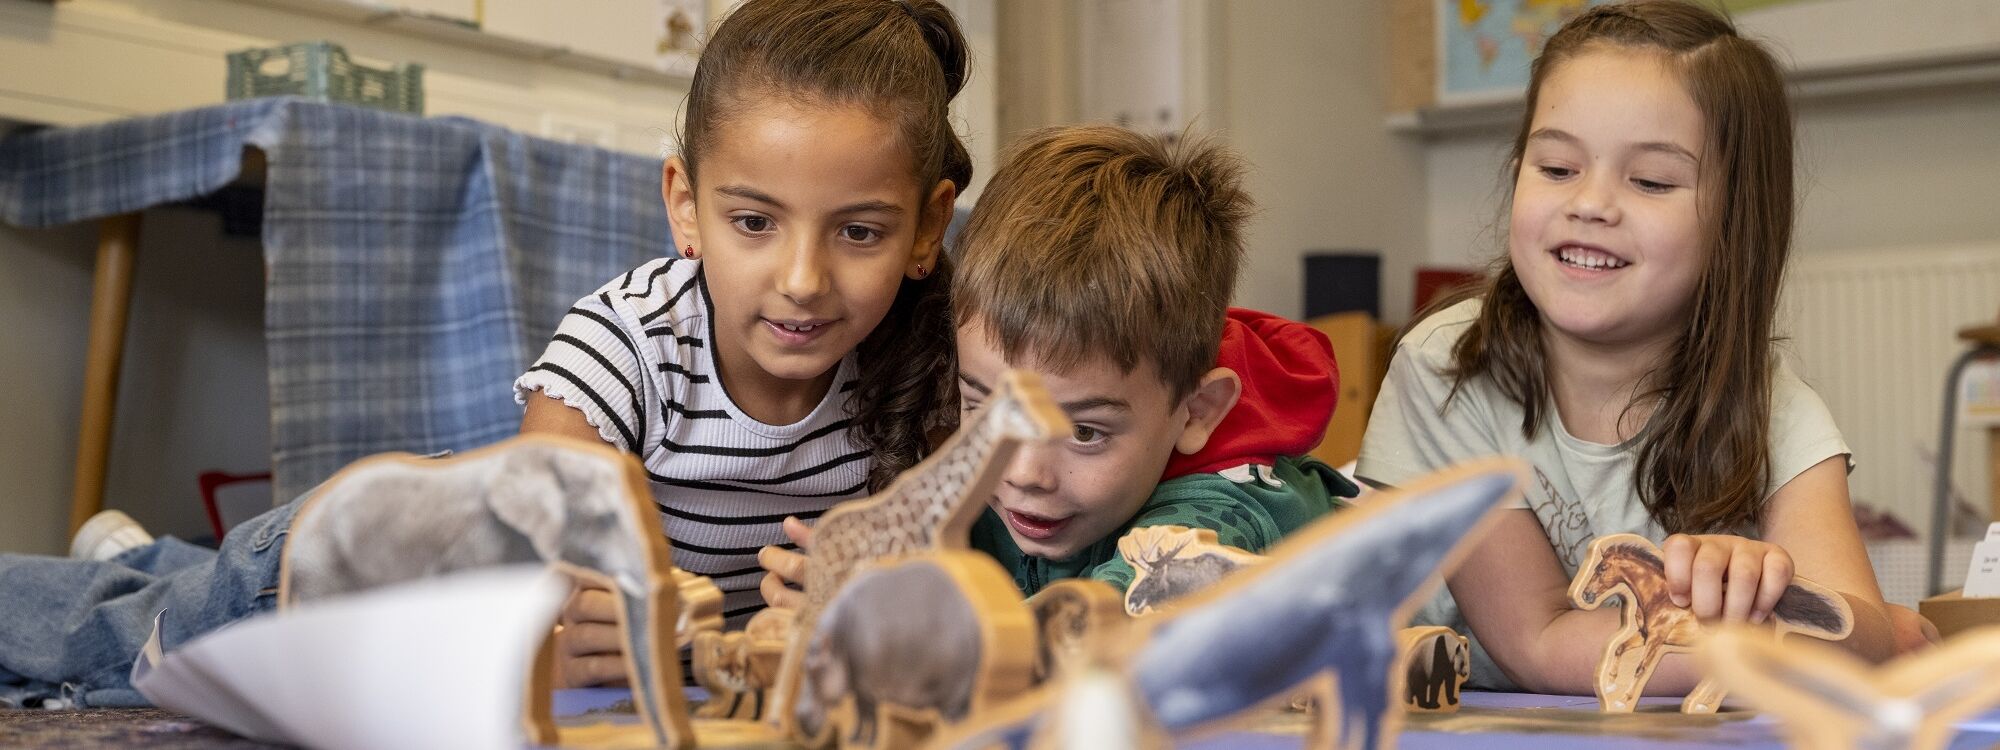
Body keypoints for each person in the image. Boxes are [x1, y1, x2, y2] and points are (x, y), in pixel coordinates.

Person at [1356, 0, 1932, 696]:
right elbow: (1536, 638)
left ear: (1733, 223)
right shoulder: (1448, 368)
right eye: (1558, 167)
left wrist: (1800, 611)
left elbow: (1861, 631)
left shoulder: (1776, 407)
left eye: (1652, 180)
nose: (1591, 203)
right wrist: (1783, 646)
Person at [759, 125, 1357, 608]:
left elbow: (1101, 628)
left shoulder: (1222, 514)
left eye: (1085, 432)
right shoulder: (1005, 489)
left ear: (1195, 412)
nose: (1023, 473)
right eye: (986, 412)